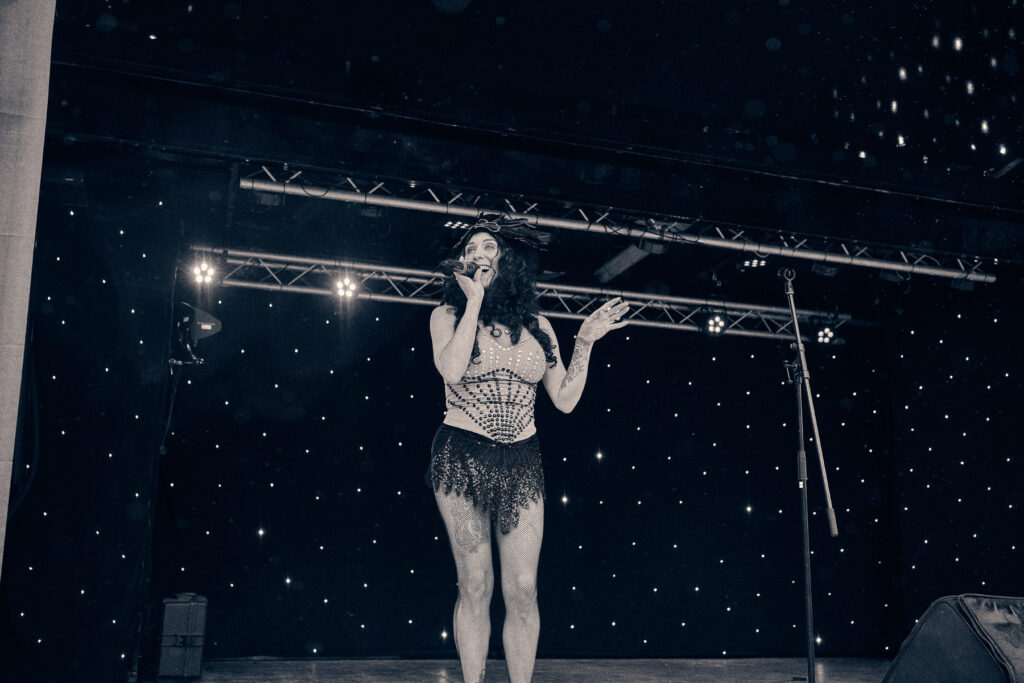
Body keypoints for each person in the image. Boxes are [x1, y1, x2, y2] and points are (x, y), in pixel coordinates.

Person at [428, 215, 630, 683]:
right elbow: (452, 371)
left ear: (507, 259)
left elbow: (564, 400)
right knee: (476, 584)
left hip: (522, 460)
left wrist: (585, 341)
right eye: (470, 249)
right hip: (461, 457)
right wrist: (473, 301)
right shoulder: (448, 315)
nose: (478, 254)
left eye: (487, 247)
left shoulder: (539, 326)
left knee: (522, 588)